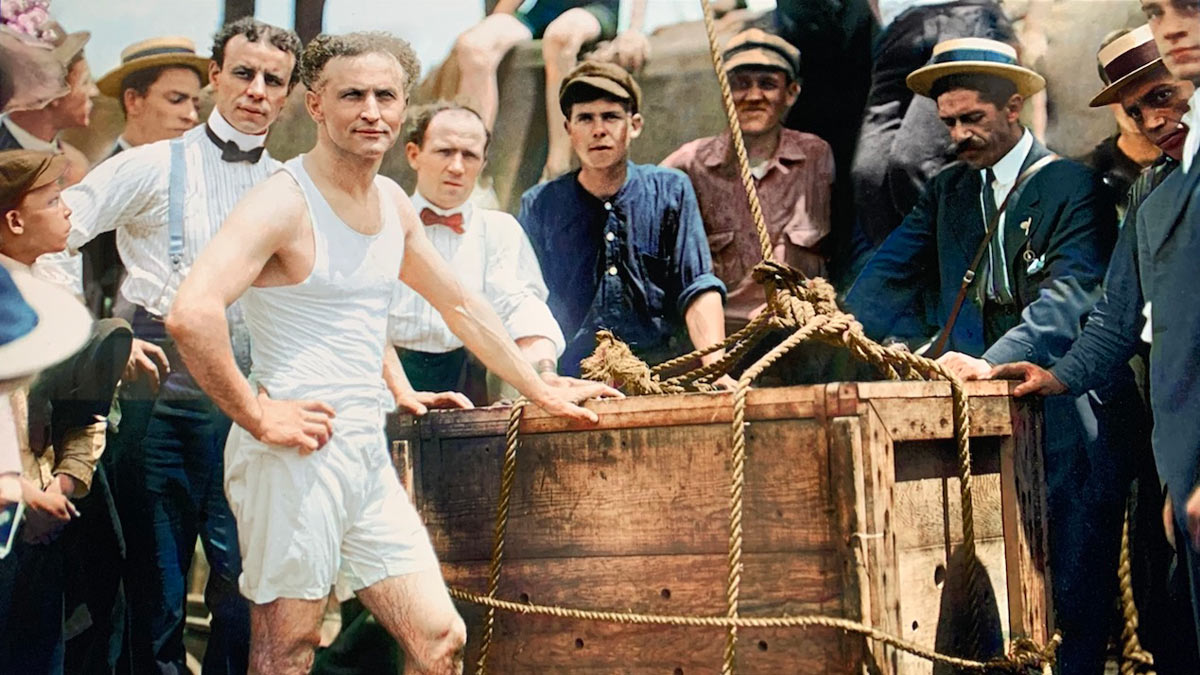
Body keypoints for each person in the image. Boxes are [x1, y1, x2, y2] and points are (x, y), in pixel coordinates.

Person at [165, 31, 620, 674]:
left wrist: (543, 388)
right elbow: (192, 312)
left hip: (363, 455)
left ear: (405, 106)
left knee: (439, 640)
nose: (371, 111)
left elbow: (460, 305)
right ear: (316, 105)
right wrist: (258, 416)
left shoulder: (391, 206)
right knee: (288, 650)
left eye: (386, 95)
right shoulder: (281, 201)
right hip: (291, 457)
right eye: (352, 95)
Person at [844, 38, 1125, 673]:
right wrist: (821, 329)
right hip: (985, 426)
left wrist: (989, 360)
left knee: (1076, 590)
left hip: (1069, 419)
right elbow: (883, 280)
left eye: (973, 118)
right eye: (948, 122)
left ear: (1015, 107)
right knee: (996, 592)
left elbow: (1069, 299)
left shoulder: (1072, 185)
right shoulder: (948, 193)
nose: (959, 134)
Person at [36, 17, 304, 674]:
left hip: (249, 408)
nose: (257, 90)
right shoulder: (153, 163)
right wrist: (93, 338)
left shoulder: (294, 187)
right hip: (161, 402)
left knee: (245, 589)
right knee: (155, 593)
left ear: (291, 95)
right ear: (215, 77)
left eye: (274, 80)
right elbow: (48, 239)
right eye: (243, 73)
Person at [990, 23, 1199, 673]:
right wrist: (1056, 376)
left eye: (1163, 96)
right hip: (1175, 435)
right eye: (1136, 108)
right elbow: (1113, 319)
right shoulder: (1149, 196)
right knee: (1171, 614)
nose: (1153, 118)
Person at [519, 61, 731, 380]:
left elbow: (697, 286)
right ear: (568, 129)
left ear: (634, 125)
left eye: (611, 117)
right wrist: (544, 377)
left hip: (660, 374)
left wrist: (717, 370)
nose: (598, 130)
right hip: (572, 378)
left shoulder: (671, 189)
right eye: (585, 118)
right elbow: (525, 301)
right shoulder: (539, 205)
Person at [0, 148, 127, 674]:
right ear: (14, 219)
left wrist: (64, 485)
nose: (68, 209)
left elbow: (86, 412)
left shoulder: (56, 304)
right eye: (52, 201)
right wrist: (19, 493)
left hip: (45, 524)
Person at [663, 28, 834, 383]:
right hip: (725, 348)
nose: (753, 96)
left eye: (767, 84)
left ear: (791, 93)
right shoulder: (688, 164)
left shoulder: (817, 156)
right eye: (741, 83)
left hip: (801, 340)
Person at [391, 101, 565, 396]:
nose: (457, 167)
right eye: (445, 151)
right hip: (387, 381)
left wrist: (544, 369)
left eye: (469, 155)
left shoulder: (499, 230)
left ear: (483, 164)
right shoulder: (381, 220)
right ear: (413, 154)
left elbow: (520, 304)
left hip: (466, 383)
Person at [79, 36, 206, 321]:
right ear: (133, 101)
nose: (190, 116)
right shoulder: (103, 180)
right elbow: (90, 284)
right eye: (176, 100)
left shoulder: (197, 178)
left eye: (196, 104)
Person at [451, 0, 648, 181]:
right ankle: (470, 171)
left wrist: (634, 30)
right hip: (543, 9)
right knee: (473, 46)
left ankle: (556, 172)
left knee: (560, 37)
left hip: (593, 9)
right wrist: (495, 22)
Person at [1080, 28, 1165, 213]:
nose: (1139, 106)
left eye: (1151, 92)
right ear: (1108, 95)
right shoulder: (1091, 176)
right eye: (1124, 91)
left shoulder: (1189, 155)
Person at [0, 22, 96, 186]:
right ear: (52, 90)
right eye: (84, 82)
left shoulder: (76, 164)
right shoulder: (4, 163)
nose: (94, 92)